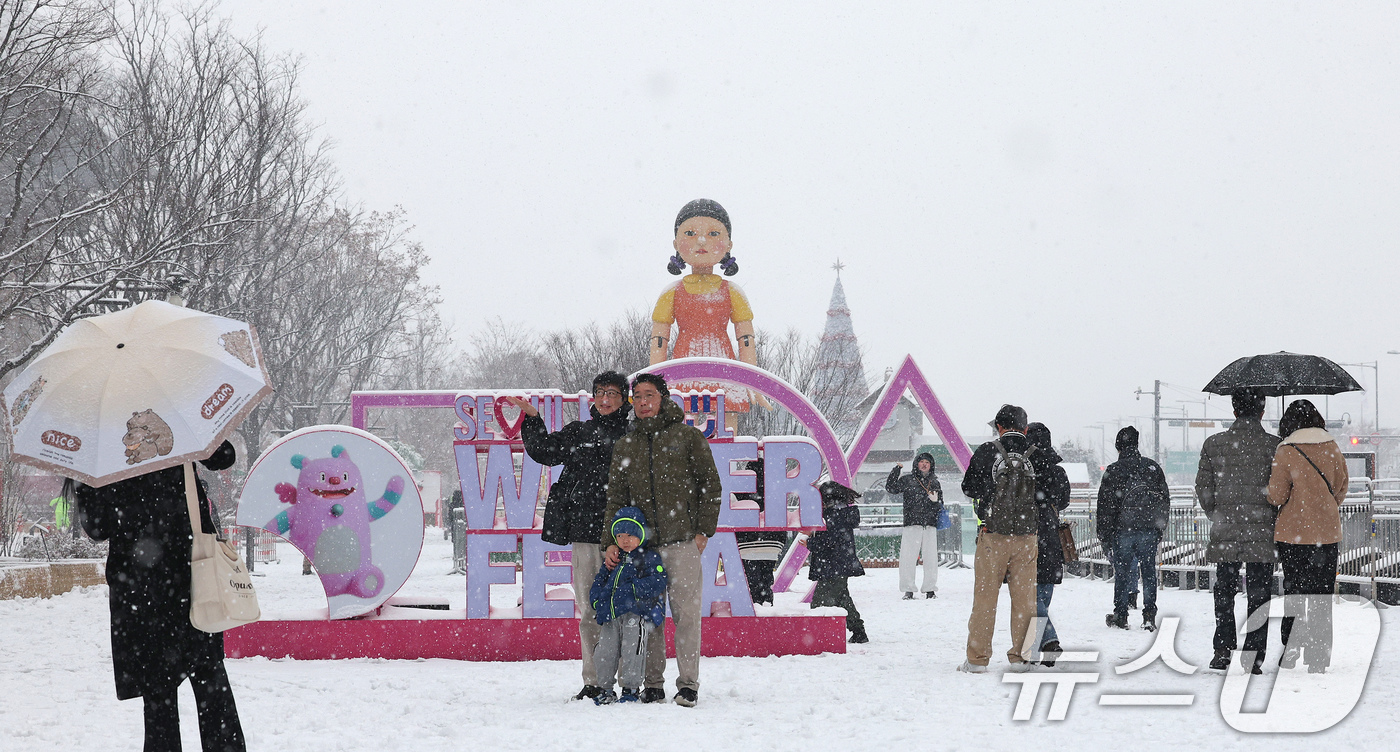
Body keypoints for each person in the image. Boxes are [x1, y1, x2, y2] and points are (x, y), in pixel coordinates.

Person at [75, 440, 246, 752]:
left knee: (159, 699)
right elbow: (223, 456)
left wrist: (88, 480)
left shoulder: (101, 444)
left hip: (142, 588)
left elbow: (98, 527)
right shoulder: (173, 420)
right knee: (210, 683)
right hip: (191, 574)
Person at [509, 371, 632, 702]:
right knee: (590, 609)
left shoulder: (635, 436)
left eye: (613, 393)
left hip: (627, 540)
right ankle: (594, 680)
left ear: (626, 399)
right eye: (600, 392)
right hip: (586, 535)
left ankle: (630, 680)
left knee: (628, 610)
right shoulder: (580, 432)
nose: (605, 398)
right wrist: (533, 419)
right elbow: (545, 452)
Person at [602, 373, 722, 707]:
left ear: (663, 398)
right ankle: (652, 683)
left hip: (683, 542)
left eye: (649, 395)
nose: (642, 402)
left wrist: (702, 531)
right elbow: (616, 498)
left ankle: (688, 685)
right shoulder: (626, 444)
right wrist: (610, 540)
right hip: (643, 548)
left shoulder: (687, 437)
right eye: (637, 396)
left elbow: (709, 485)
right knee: (649, 617)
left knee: (686, 615)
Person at [649, 199, 760, 430]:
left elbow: (746, 339)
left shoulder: (733, 292)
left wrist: (752, 380)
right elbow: (659, 341)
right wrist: (654, 380)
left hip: (724, 366)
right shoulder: (671, 293)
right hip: (682, 366)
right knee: (681, 423)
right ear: (676, 243)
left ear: (728, 243)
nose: (701, 241)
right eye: (690, 233)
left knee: (726, 427)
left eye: (713, 233)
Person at [1195, 388, 1281, 673]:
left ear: (1233, 411)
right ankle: (1254, 655)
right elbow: (1281, 490)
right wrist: (1270, 515)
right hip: (1262, 531)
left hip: (1226, 530)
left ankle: (1222, 648)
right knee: (1259, 593)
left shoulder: (1214, 444)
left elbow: (1204, 489)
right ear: (1262, 411)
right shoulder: (1275, 446)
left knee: (1224, 590)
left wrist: (1216, 514)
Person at [1267, 399, 1348, 673]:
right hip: (1326, 533)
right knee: (1321, 596)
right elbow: (1340, 488)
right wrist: (1323, 508)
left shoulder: (1286, 450)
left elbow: (1277, 495)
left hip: (1293, 535)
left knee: (1295, 591)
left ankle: (1290, 650)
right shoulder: (1333, 447)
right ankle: (1318, 658)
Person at [958, 404, 1039, 673]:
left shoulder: (987, 451)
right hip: (1027, 537)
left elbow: (968, 487)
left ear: (999, 427)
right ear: (1025, 428)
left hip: (993, 534)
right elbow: (1056, 493)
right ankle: (1023, 657)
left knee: (985, 598)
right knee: (1026, 599)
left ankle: (977, 659)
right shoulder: (1037, 455)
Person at [588, 506, 668, 705]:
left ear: (641, 534)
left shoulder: (648, 557)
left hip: (635, 613)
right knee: (606, 651)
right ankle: (605, 688)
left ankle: (631, 688)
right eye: (620, 534)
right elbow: (600, 579)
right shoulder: (614, 558)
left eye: (631, 534)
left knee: (633, 650)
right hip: (610, 615)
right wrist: (597, 600)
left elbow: (658, 580)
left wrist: (632, 589)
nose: (625, 540)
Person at [1097, 426, 1170, 631]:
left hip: (1123, 530)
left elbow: (1105, 506)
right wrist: (1159, 528)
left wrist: (1104, 535)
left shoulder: (1114, 470)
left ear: (1119, 446)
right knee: (1148, 572)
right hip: (1148, 529)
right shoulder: (1152, 468)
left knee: (1122, 572)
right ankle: (1149, 615)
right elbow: (1164, 500)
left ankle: (1121, 614)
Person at [1026, 423, 1070, 665]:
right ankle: (1035, 650)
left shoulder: (1023, 469)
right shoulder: (1058, 471)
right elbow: (1063, 501)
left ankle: (1049, 640)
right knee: (1042, 592)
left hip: (1027, 531)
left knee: (1030, 595)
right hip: (1051, 534)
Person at [807, 480, 868, 643]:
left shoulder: (833, 515)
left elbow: (829, 541)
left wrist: (810, 542)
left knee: (819, 603)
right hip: (839, 565)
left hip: (832, 565)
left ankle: (817, 636)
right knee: (842, 598)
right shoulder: (842, 514)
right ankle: (858, 631)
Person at [887, 451, 943, 600]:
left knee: (931, 558)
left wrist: (935, 501)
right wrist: (896, 470)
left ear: (931, 466)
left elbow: (940, 505)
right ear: (916, 464)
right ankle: (908, 589)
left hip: (930, 524)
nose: (924, 464)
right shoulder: (907, 480)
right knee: (907, 557)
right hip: (912, 523)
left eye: (927, 462)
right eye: (922, 461)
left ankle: (930, 589)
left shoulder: (935, 482)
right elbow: (891, 488)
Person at [734, 459, 786, 606]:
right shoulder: (775, 487)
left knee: (751, 583)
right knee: (766, 580)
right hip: (772, 542)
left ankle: (754, 612)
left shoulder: (740, 488)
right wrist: (780, 541)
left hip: (747, 542)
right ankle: (767, 608)